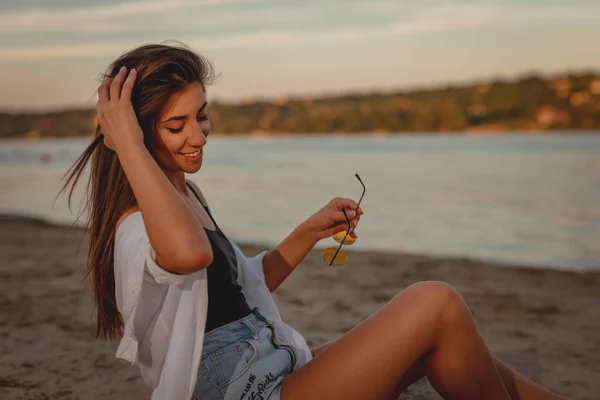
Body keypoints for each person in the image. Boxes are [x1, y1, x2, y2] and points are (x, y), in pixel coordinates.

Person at [61, 42, 567, 400]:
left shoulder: (184, 194)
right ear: (137, 133)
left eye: (202, 116)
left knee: (443, 339)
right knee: (434, 302)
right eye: (177, 125)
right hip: (249, 391)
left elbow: (239, 288)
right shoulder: (135, 224)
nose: (199, 135)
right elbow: (189, 255)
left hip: (274, 367)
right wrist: (124, 142)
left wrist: (309, 230)